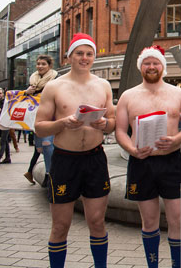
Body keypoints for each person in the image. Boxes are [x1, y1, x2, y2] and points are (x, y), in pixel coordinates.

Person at [35, 33, 115, 268]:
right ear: (69, 56)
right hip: (64, 160)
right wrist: (62, 123)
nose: (85, 58)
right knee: (60, 226)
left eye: (89, 53)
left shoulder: (103, 85)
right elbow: (39, 128)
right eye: (79, 53)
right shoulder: (54, 87)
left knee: (97, 222)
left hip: (94, 159)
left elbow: (112, 121)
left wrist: (105, 125)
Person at [115, 45, 181, 268]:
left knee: (177, 219)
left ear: (163, 67)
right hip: (141, 163)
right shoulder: (128, 96)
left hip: (172, 163)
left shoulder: (177, 94)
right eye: (147, 63)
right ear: (141, 67)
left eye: (155, 63)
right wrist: (132, 150)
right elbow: (120, 130)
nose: (151, 67)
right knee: (149, 221)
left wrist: (176, 140)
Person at [24, 54, 59, 186]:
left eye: (43, 64)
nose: (40, 66)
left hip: (51, 118)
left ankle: (49, 176)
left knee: (47, 144)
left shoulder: (56, 79)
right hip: (35, 119)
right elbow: (25, 101)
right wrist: (27, 92)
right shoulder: (33, 80)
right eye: (38, 64)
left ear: (50, 66)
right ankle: (45, 173)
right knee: (39, 149)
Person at [0, 88, 12, 164]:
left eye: (0, 93)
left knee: (3, 141)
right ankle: (7, 158)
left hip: (6, 123)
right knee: (5, 141)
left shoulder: (6, 102)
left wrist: (2, 111)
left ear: (3, 94)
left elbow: (9, 111)